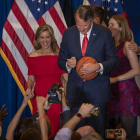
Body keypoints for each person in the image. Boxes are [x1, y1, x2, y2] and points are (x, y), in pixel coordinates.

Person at [58, 5, 119, 136]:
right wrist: (68, 64)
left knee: (96, 131)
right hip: (76, 92)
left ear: (92, 20)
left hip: (97, 92)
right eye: (78, 24)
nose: (80, 29)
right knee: (76, 132)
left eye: (84, 26)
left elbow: (114, 61)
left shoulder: (104, 33)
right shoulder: (68, 33)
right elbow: (61, 61)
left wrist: (98, 66)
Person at [26, 24, 68, 137]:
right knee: (39, 126)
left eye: (47, 37)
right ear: (38, 39)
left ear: (52, 38)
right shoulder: (33, 56)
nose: (45, 40)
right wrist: (29, 89)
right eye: (42, 37)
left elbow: (66, 78)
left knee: (54, 126)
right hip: (39, 97)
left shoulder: (60, 55)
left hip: (56, 96)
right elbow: (30, 79)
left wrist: (66, 94)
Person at [106, 14, 140, 139]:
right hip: (113, 93)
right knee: (110, 133)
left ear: (121, 28)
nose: (109, 27)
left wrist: (115, 79)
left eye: (112, 25)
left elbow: (136, 70)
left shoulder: (127, 45)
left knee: (129, 134)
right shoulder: (110, 46)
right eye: (108, 24)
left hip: (127, 93)